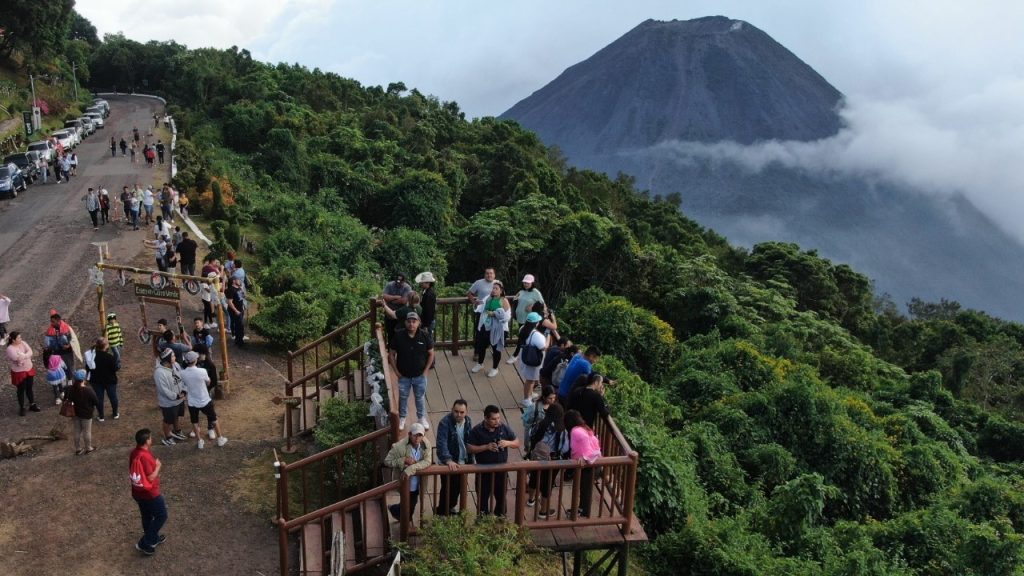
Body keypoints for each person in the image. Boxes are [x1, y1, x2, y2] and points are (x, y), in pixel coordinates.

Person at [466, 405, 520, 516]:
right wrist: (486, 447)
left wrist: (507, 443)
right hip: (483, 472)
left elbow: (517, 442)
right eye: (494, 419)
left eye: (498, 418)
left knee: (501, 498)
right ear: (486, 418)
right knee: (482, 499)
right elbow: (469, 448)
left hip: (501, 471)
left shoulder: (503, 428)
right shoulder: (477, 431)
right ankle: (482, 520)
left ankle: (500, 519)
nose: (497, 421)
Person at [387, 312, 434, 431]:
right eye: (409, 321)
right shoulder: (399, 336)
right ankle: (402, 418)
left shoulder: (424, 335)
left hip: (420, 375)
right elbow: (391, 354)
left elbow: (431, 353)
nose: (411, 324)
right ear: (405, 322)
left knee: (420, 397)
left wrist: (426, 371)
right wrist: (396, 372)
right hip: (404, 375)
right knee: (403, 397)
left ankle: (421, 418)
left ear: (418, 323)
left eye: (414, 321)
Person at [526, 386, 564, 518]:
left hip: (538, 455)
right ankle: (543, 511)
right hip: (553, 458)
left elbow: (532, 435)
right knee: (547, 483)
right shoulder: (561, 429)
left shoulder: (542, 424)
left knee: (535, 476)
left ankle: (530, 499)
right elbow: (564, 447)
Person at [129, 428, 168, 555]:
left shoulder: (134, 452)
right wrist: (157, 466)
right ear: (146, 441)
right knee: (162, 515)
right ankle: (145, 543)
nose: (152, 439)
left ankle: (153, 538)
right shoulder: (145, 456)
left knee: (146, 516)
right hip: (150, 493)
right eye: (150, 438)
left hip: (138, 492)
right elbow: (151, 477)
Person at [180, 351, 228, 449]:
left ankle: (199, 441)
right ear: (195, 360)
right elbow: (208, 382)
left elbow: (184, 384)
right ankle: (220, 439)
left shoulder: (182, 373)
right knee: (214, 419)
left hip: (192, 401)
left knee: (194, 421)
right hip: (204, 399)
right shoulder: (202, 371)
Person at [384, 422, 431, 521]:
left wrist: (411, 468)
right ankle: (404, 520)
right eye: (415, 435)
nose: (417, 438)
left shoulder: (426, 445)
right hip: (405, 481)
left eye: (420, 435)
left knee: (410, 501)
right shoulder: (399, 447)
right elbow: (387, 461)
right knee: (409, 503)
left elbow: (427, 461)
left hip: (418, 481)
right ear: (409, 434)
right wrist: (403, 460)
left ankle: (394, 510)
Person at [434, 399, 473, 515]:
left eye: (462, 412)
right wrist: (448, 460)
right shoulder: (445, 423)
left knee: (459, 487)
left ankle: (450, 507)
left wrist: (471, 459)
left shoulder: (468, 421)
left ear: (466, 412)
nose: (459, 414)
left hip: (462, 461)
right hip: (449, 461)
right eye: (456, 411)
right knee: (447, 487)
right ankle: (442, 511)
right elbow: (442, 443)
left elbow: (469, 440)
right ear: (452, 410)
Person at [566, 409, 602, 518]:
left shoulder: (576, 431)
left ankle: (584, 511)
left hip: (589, 464)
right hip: (595, 462)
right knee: (584, 488)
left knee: (585, 489)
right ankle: (582, 509)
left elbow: (585, 446)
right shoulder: (584, 428)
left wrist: (584, 456)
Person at [471, 281, 510, 378]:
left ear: (501, 291)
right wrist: (476, 304)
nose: (493, 290)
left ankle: (495, 368)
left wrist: (495, 314)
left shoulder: (503, 300)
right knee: (481, 346)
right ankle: (480, 364)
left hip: (498, 328)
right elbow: (479, 308)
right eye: (493, 288)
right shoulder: (487, 297)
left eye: (496, 289)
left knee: (496, 349)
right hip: (485, 326)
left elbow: (507, 317)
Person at [508, 274, 545, 363]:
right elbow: (516, 301)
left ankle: (515, 355)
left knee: (522, 336)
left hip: (529, 319)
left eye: (528, 283)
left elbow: (542, 304)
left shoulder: (536, 292)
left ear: (532, 283)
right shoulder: (521, 291)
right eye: (525, 282)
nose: (526, 284)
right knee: (523, 336)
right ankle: (524, 353)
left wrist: (532, 306)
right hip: (520, 318)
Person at [154, 348, 187, 446]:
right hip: (168, 403)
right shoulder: (159, 373)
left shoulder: (176, 365)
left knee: (176, 416)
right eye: (173, 356)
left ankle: (177, 431)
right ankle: (167, 437)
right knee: (167, 420)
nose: (175, 357)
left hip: (179, 399)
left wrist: (184, 390)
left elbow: (182, 378)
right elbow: (163, 390)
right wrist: (176, 396)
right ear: (167, 358)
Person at [516, 312, 547, 406]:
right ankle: (526, 399)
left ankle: (530, 394)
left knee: (531, 378)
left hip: (524, 355)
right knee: (530, 380)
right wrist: (548, 338)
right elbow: (543, 347)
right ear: (536, 323)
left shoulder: (522, 328)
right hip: (533, 359)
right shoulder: (537, 335)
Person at [66, 369, 98, 455]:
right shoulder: (88, 390)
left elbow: (66, 399)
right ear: (84, 379)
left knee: (77, 431)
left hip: (75, 413)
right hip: (87, 414)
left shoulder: (70, 389)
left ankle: (78, 449)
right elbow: (96, 401)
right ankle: (88, 447)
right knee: (86, 431)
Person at [6, 332, 39, 416]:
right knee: (21, 390)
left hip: (28, 369)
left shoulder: (23, 343)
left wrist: (23, 356)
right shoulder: (10, 349)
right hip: (19, 372)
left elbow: (30, 351)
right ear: (13, 340)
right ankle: (22, 407)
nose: (21, 339)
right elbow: (16, 358)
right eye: (19, 338)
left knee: (29, 388)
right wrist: (26, 355)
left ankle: (32, 404)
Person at [90, 338, 119, 421]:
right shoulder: (110, 357)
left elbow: (88, 367)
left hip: (96, 381)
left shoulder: (92, 356)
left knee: (99, 398)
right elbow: (115, 369)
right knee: (113, 397)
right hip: (110, 381)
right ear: (105, 346)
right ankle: (115, 413)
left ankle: (101, 416)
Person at [381, 273, 411, 345]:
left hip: (401, 317)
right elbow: (384, 296)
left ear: (404, 281)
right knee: (390, 334)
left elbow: (404, 301)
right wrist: (396, 297)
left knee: (401, 335)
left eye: (400, 281)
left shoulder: (407, 287)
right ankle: (391, 351)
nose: (398, 283)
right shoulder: (390, 285)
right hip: (389, 316)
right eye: (397, 281)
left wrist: (391, 300)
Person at [414, 272, 437, 338]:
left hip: (428, 322)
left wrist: (426, 325)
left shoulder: (429, 294)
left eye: (422, 282)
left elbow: (429, 311)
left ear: (428, 283)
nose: (420, 283)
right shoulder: (426, 292)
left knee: (428, 340)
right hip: (426, 321)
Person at [225, 276, 246, 347]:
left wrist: (243, 292)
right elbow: (229, 302)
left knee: (240, 325)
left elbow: (242, 297)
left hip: (240, 309)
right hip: (235, 311)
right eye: (238, 280)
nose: (239, 281)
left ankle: (239, 339)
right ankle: (239, 342)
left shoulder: (239, 288)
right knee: (239, 326)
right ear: (234, 281)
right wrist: (236, 310)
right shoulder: (231, 290)